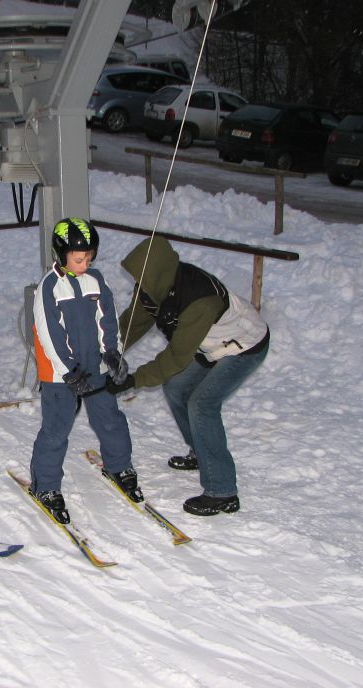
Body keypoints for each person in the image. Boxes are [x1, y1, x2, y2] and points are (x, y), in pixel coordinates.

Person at [110, 236, 270, 516]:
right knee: (175, 388)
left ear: (158, 274)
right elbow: (133, 321)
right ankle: (202, 452)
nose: (140, 285)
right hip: (209, 344)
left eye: (143, 279)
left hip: (243, 345)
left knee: (202, 404)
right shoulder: (155, 288)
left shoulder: (198, 301)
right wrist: (111, 349)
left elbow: (175, 358)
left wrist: (132, 380)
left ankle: (222, 491)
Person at [29, 218, 140, 524]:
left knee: (110, 418)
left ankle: (119, 465)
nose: (85, 263)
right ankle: (46, 486)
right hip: (60, 375)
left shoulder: (95, 280)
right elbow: (49, 332)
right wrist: (67, 370)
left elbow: (106, 319)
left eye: (89, 258)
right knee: (57, 429)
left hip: (94, 367)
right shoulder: (49, 287)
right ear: (61, 255)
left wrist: (112, 353)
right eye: (79, 259)